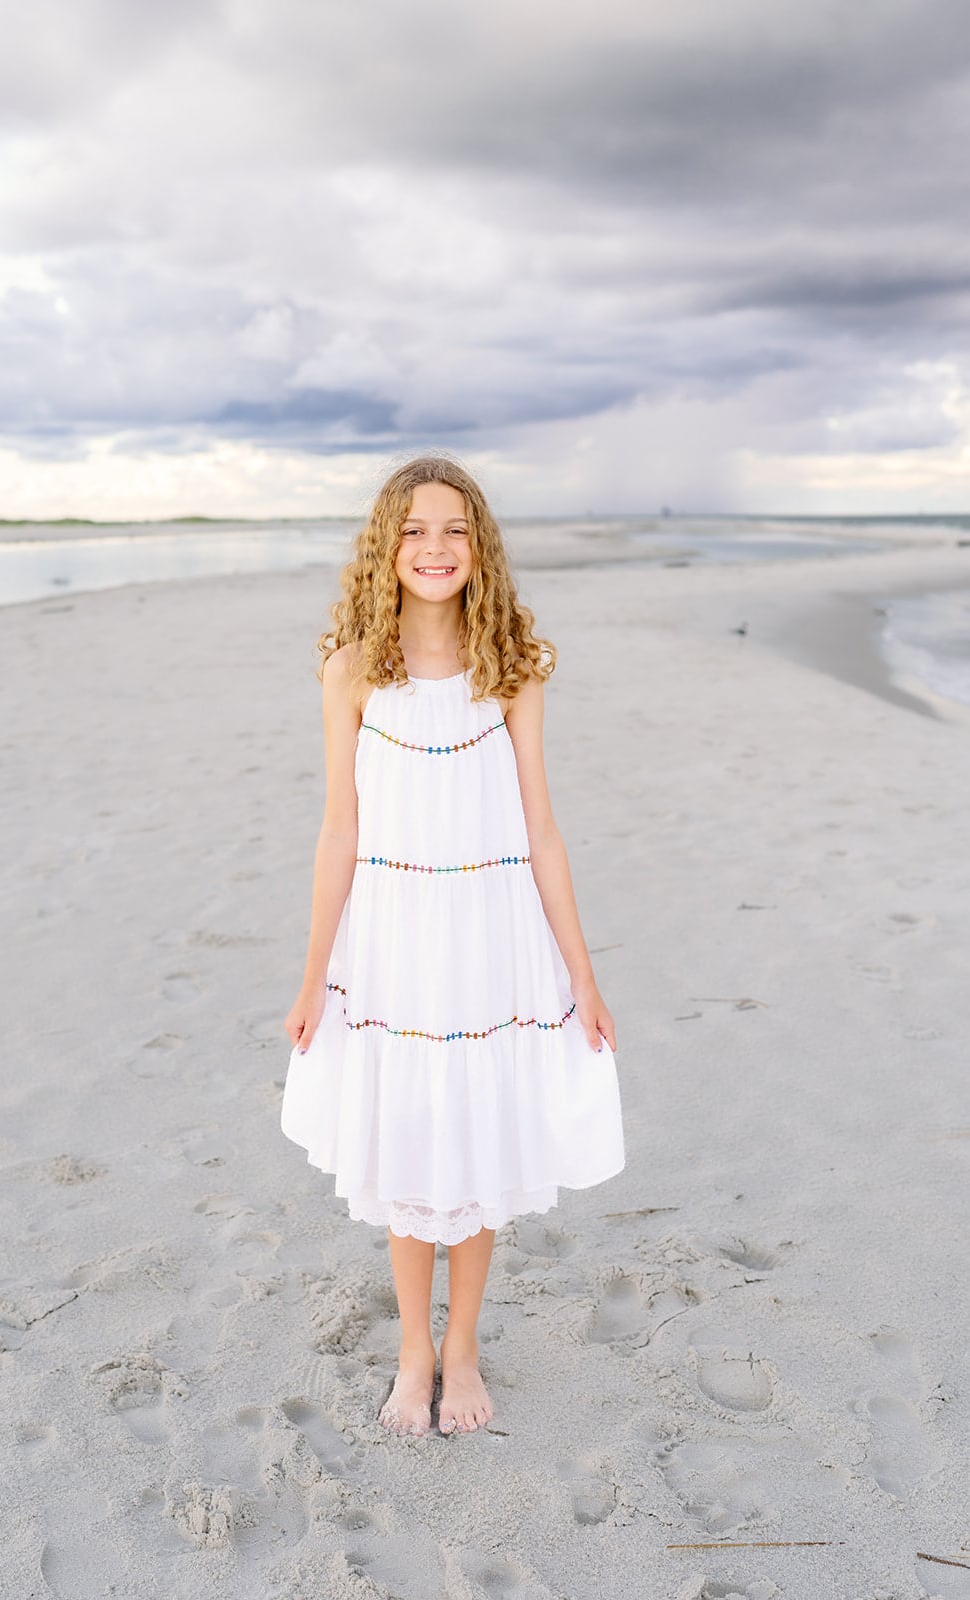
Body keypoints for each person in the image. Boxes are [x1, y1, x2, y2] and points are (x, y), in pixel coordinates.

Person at [281, 456, 625, 1439]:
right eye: (415, 530)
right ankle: (412, 1352)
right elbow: (337, 831)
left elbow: (540, 829)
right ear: (385, 547)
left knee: (473, 1138)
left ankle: (463, 1346)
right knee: (407, 1140)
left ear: (481, 549)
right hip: (390, 938)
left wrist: (581, 973)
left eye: (454, 530)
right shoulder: (350, 670)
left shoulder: (514, 668)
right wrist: (311, 978)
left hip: (490, 935)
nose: (434, 548)